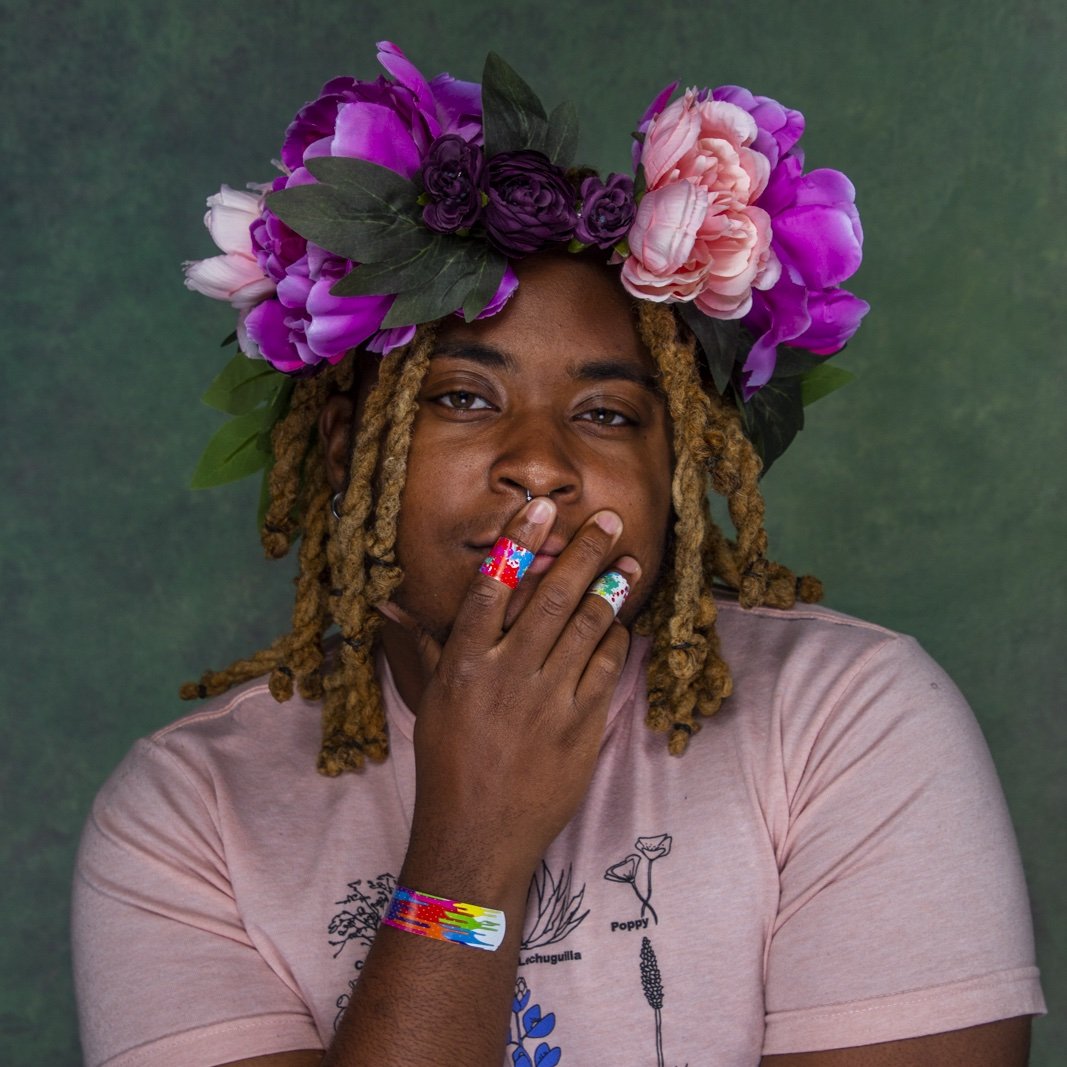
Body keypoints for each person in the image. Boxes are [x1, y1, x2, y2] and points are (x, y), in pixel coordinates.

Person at [72, 42, 1045, 1067]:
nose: (539, 466)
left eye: (607, 412)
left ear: (679, 471)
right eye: (461, 397)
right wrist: (471, 849)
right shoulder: (187, 818)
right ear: (345, 447)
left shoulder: (845, 719)